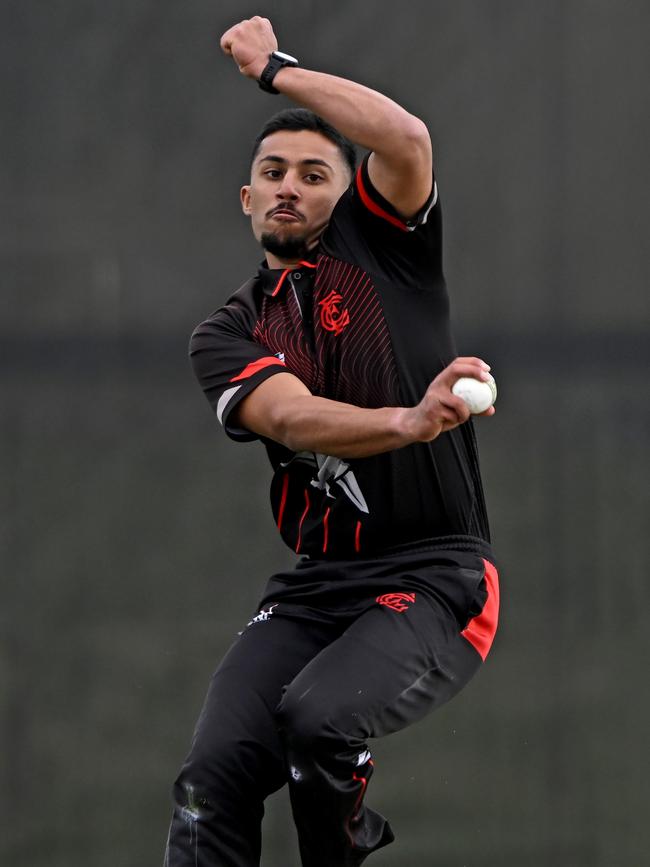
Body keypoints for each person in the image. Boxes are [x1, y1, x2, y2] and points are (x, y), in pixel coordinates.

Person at [164, 15, 500, 867]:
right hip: (319, 587)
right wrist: (405, 421)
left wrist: (275, 71)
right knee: (211, 774)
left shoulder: (385, 249)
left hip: (437, 578)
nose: (289, 188)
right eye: (271, 173)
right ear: (247, 199)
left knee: (320, 717)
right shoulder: (228, 331)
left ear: (347, 194)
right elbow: (287, 415)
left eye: (315, 175)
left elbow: (406, 134)